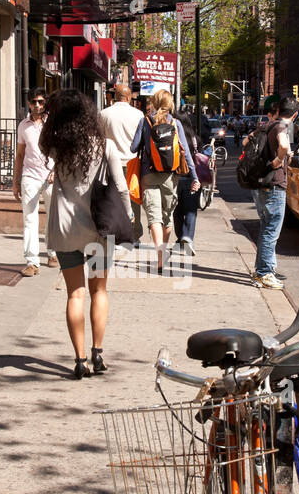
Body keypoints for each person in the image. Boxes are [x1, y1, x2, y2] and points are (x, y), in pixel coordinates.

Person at [40, 89, 130, 379]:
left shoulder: (57, 149)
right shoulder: (106, 147)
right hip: (98, 229)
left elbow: (45, 137)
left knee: (75, 294)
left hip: (66, 229)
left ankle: (79, 360)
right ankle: (98, 353)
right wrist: (127, 219)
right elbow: (122, 188)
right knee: (99, 291)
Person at [131, 88, 199, 274]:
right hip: (171, 176)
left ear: (153, 102)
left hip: (148, 174)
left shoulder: (145, 121)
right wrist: (194, 177)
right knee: (167, 217)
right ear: (170, 104)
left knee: (154, 217)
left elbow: (133, 148)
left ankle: (160, 257)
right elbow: (185, 152)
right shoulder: (175, 123)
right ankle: (163, 253)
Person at [252, 94, 297, 290]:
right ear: (294, 115)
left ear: (278, 111)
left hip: (262, 181)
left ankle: (261, 270)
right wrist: (279, 160)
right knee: (271, 231)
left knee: (266, 227)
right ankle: (265, 273)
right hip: (275, 184)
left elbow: (247, 141)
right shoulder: (281, 127)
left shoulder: (267, 125)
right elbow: (284, 144)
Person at [13, 88, 56, 276]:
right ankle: (32, 261)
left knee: (53, 216)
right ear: (29, 103)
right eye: (33, 102)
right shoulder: (23, 125)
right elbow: (20, 155)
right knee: (29, 218)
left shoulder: (53, 124)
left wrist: (56, 170)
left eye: (40, 102)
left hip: (51, 176)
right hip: (30, 175)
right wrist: (15, 181)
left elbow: (61, 149)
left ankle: (53, 252)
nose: (37, 105)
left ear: (45, 103)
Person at [99, 81, 143, 244]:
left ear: (115, 97)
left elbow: (100, 138)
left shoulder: (104, 114)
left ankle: (114, 234)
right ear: (129, 97)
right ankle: (134, 234)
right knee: (133, 199)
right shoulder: (138, 115)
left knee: (111, 199)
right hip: (132, 163)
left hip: (111, 162)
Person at [173, 111, 202, 257]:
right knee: (191, 210)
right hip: (191, 177)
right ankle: (187, 238)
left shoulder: (172, 136)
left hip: (175, 177)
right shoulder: (195, 139)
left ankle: (180, 238)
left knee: (177, 210)